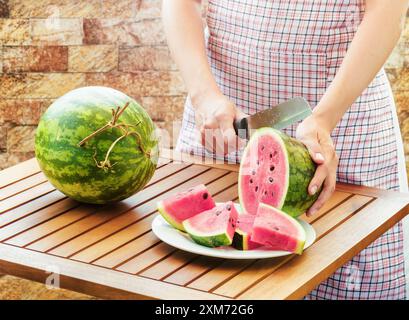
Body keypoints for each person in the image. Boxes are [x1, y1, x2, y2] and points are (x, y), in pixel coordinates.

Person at [162, 0, 409, 299]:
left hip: (341, 126)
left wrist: (325, 118)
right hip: (221, 121)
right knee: (204, 281)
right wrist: (205, 97)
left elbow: (387, 12)